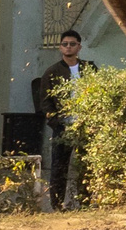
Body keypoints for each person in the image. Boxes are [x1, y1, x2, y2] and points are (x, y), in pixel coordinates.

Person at [35, 28, 93, 208]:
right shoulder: (52, 71)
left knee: (86, 165)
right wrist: (56, 122)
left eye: (72, 44)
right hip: (63, 127)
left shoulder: (89, 68)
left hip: (85, 125)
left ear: (79, 47)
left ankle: (85, 202)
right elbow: (45, 102)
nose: (68, 47)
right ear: (60, 48)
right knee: (59, 166)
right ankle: (58, 204)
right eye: (65, 44)